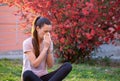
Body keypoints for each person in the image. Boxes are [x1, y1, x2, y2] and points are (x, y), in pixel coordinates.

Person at [21, 16, 72, 81]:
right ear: (37, 28)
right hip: (30, 78)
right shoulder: (27, 43)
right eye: (45, 31)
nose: (47, 34)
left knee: (68, 66)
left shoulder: (48, 43)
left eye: (49, 31)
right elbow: (35, 64)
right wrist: (45, 48)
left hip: (43, 77)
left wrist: (48, 48)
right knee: (27, 73)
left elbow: (50, 65)